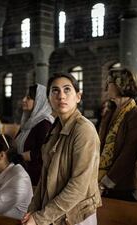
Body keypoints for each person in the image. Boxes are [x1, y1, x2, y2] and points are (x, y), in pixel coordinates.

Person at [22, 73, 101, 225]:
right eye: (55, 91)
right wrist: (33, 208)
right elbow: (44, 177)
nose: (61, 96)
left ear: (78, 96)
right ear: (49, 98)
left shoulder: (84, 130)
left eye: (67, 90)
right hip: (54, 213)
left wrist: (40, 218)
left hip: (75, 217)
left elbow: (78, 187)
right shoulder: (54, 129)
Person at [98, 67, 137, 202]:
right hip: (101, 180)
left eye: (109, 83)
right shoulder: (110, 113)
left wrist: (105, 183)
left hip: (123, 185)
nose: (105, 87)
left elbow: (129, 155)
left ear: (121, 85)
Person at [15, 84, 54, 185]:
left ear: (39, 102)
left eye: (28, 98)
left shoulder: (44, 124)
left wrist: (20, 156)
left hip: (34, 179)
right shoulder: (28, 122)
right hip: (22, 173)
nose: (23, 100)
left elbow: (44, 153)